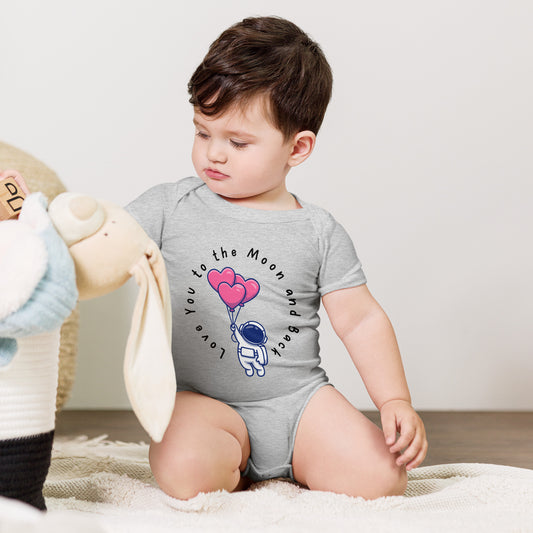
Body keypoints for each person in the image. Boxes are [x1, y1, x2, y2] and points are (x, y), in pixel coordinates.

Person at [126, 15, 427, 500]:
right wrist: (36, 222)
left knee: (382, 479)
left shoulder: (318, 231)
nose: (213, 154)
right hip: (203, 402)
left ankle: (286, 462)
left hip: (297, 403)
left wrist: (394, 399)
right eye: (202, 133)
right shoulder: (170, 206)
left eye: (237, 142)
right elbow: (103, 239)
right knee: (183, 470)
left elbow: (360, 320)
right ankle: (234, 463)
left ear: (297, 147)